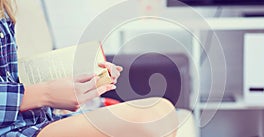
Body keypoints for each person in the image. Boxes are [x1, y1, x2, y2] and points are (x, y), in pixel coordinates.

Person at [0, 0, 178, 137]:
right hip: (13, 129)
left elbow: (12, 76)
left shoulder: (6, 8)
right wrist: (47, 93)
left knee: (163, 111)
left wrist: (82, 78)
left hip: (33, 119)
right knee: (152, 118)